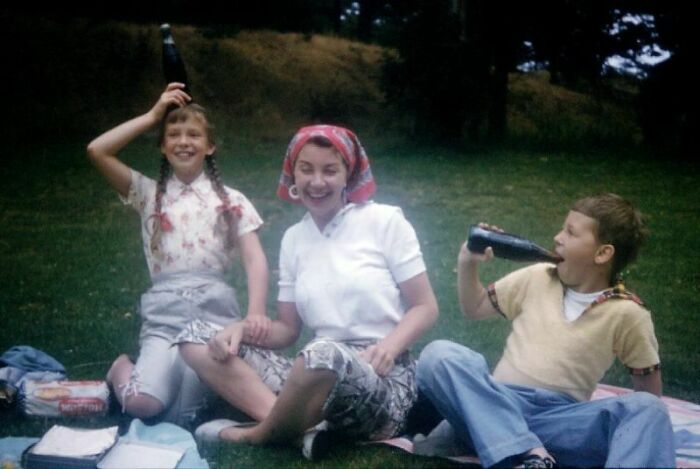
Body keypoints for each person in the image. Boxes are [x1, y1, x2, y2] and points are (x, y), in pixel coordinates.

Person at [183, 124, 439, 459]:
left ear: (348, 174)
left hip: (384, 381)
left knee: (321, 354)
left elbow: (426, 306)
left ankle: (257, 435)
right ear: (292, 174)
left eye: (330, 170)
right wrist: (240, 330)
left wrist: (389, 348)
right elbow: (288, 330)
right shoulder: (293, 239)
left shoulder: (385, 221)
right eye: (306, 170)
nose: (316, 182)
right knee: (194, 337)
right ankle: (295, 427)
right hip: (315, 368)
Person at [416, 193, 676, 468]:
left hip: (563, 422)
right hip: (498, 404)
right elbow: (475, 306)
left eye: (570, 232)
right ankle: (528, 453)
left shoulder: (627, 312)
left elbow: (648, 390)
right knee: (438, 354)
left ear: (602, 253)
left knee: (649, 408)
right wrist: (468, 262)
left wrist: (640, 428)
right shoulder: (537, 276)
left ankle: (512, 447)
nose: (558, 237)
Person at [86, 83, 271, 427]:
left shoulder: (232, 200)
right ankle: (121, 368)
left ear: (210, 146)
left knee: (182, 417)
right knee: (143, 404)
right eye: (173, 134)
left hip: (213, 317)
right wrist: (152, 115)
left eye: (193, 135)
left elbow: (254, 258)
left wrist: (254, 314)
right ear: (162, 145)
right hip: (165, 315)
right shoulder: (147, 194)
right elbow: (97, 150)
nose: (183, 141)